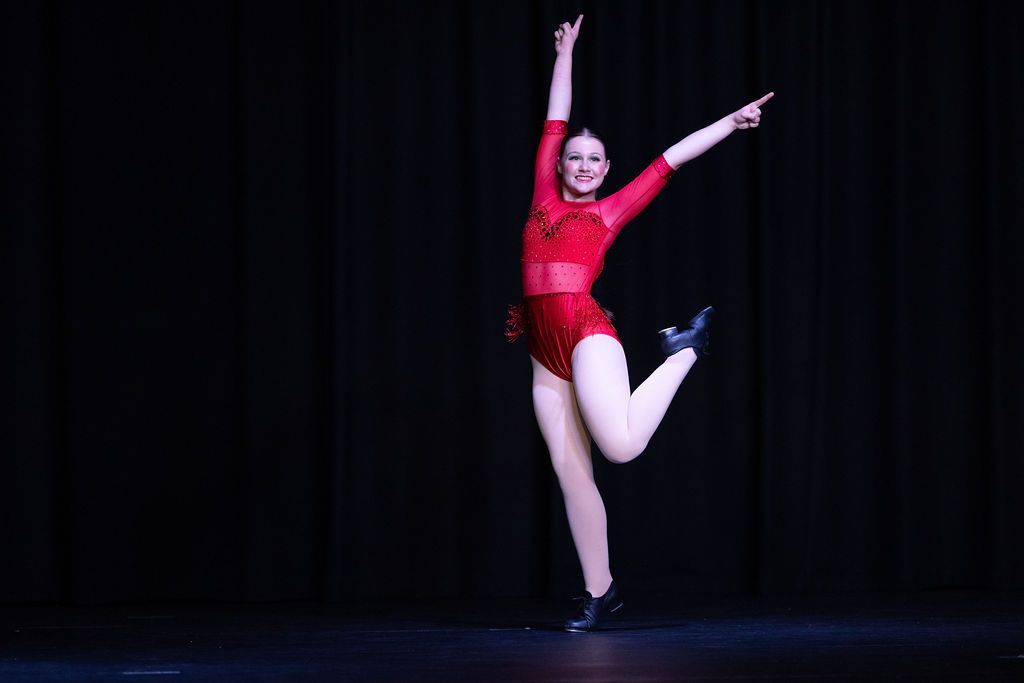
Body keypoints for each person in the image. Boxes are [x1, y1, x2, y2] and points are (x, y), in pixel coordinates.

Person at [506, 15, 773, 632]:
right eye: (573, 157)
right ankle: (600, 592)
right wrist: (566, 53)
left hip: (586, 332)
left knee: (621, 448)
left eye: (593, 160)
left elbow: (668, 159)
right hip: (543, 352)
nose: (581, 164)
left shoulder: (607, 213)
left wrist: (730, 125)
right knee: (572, 472)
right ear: (560, 164)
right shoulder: (542, 196)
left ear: (604, 170)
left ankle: (684, 350)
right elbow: (556, 115)